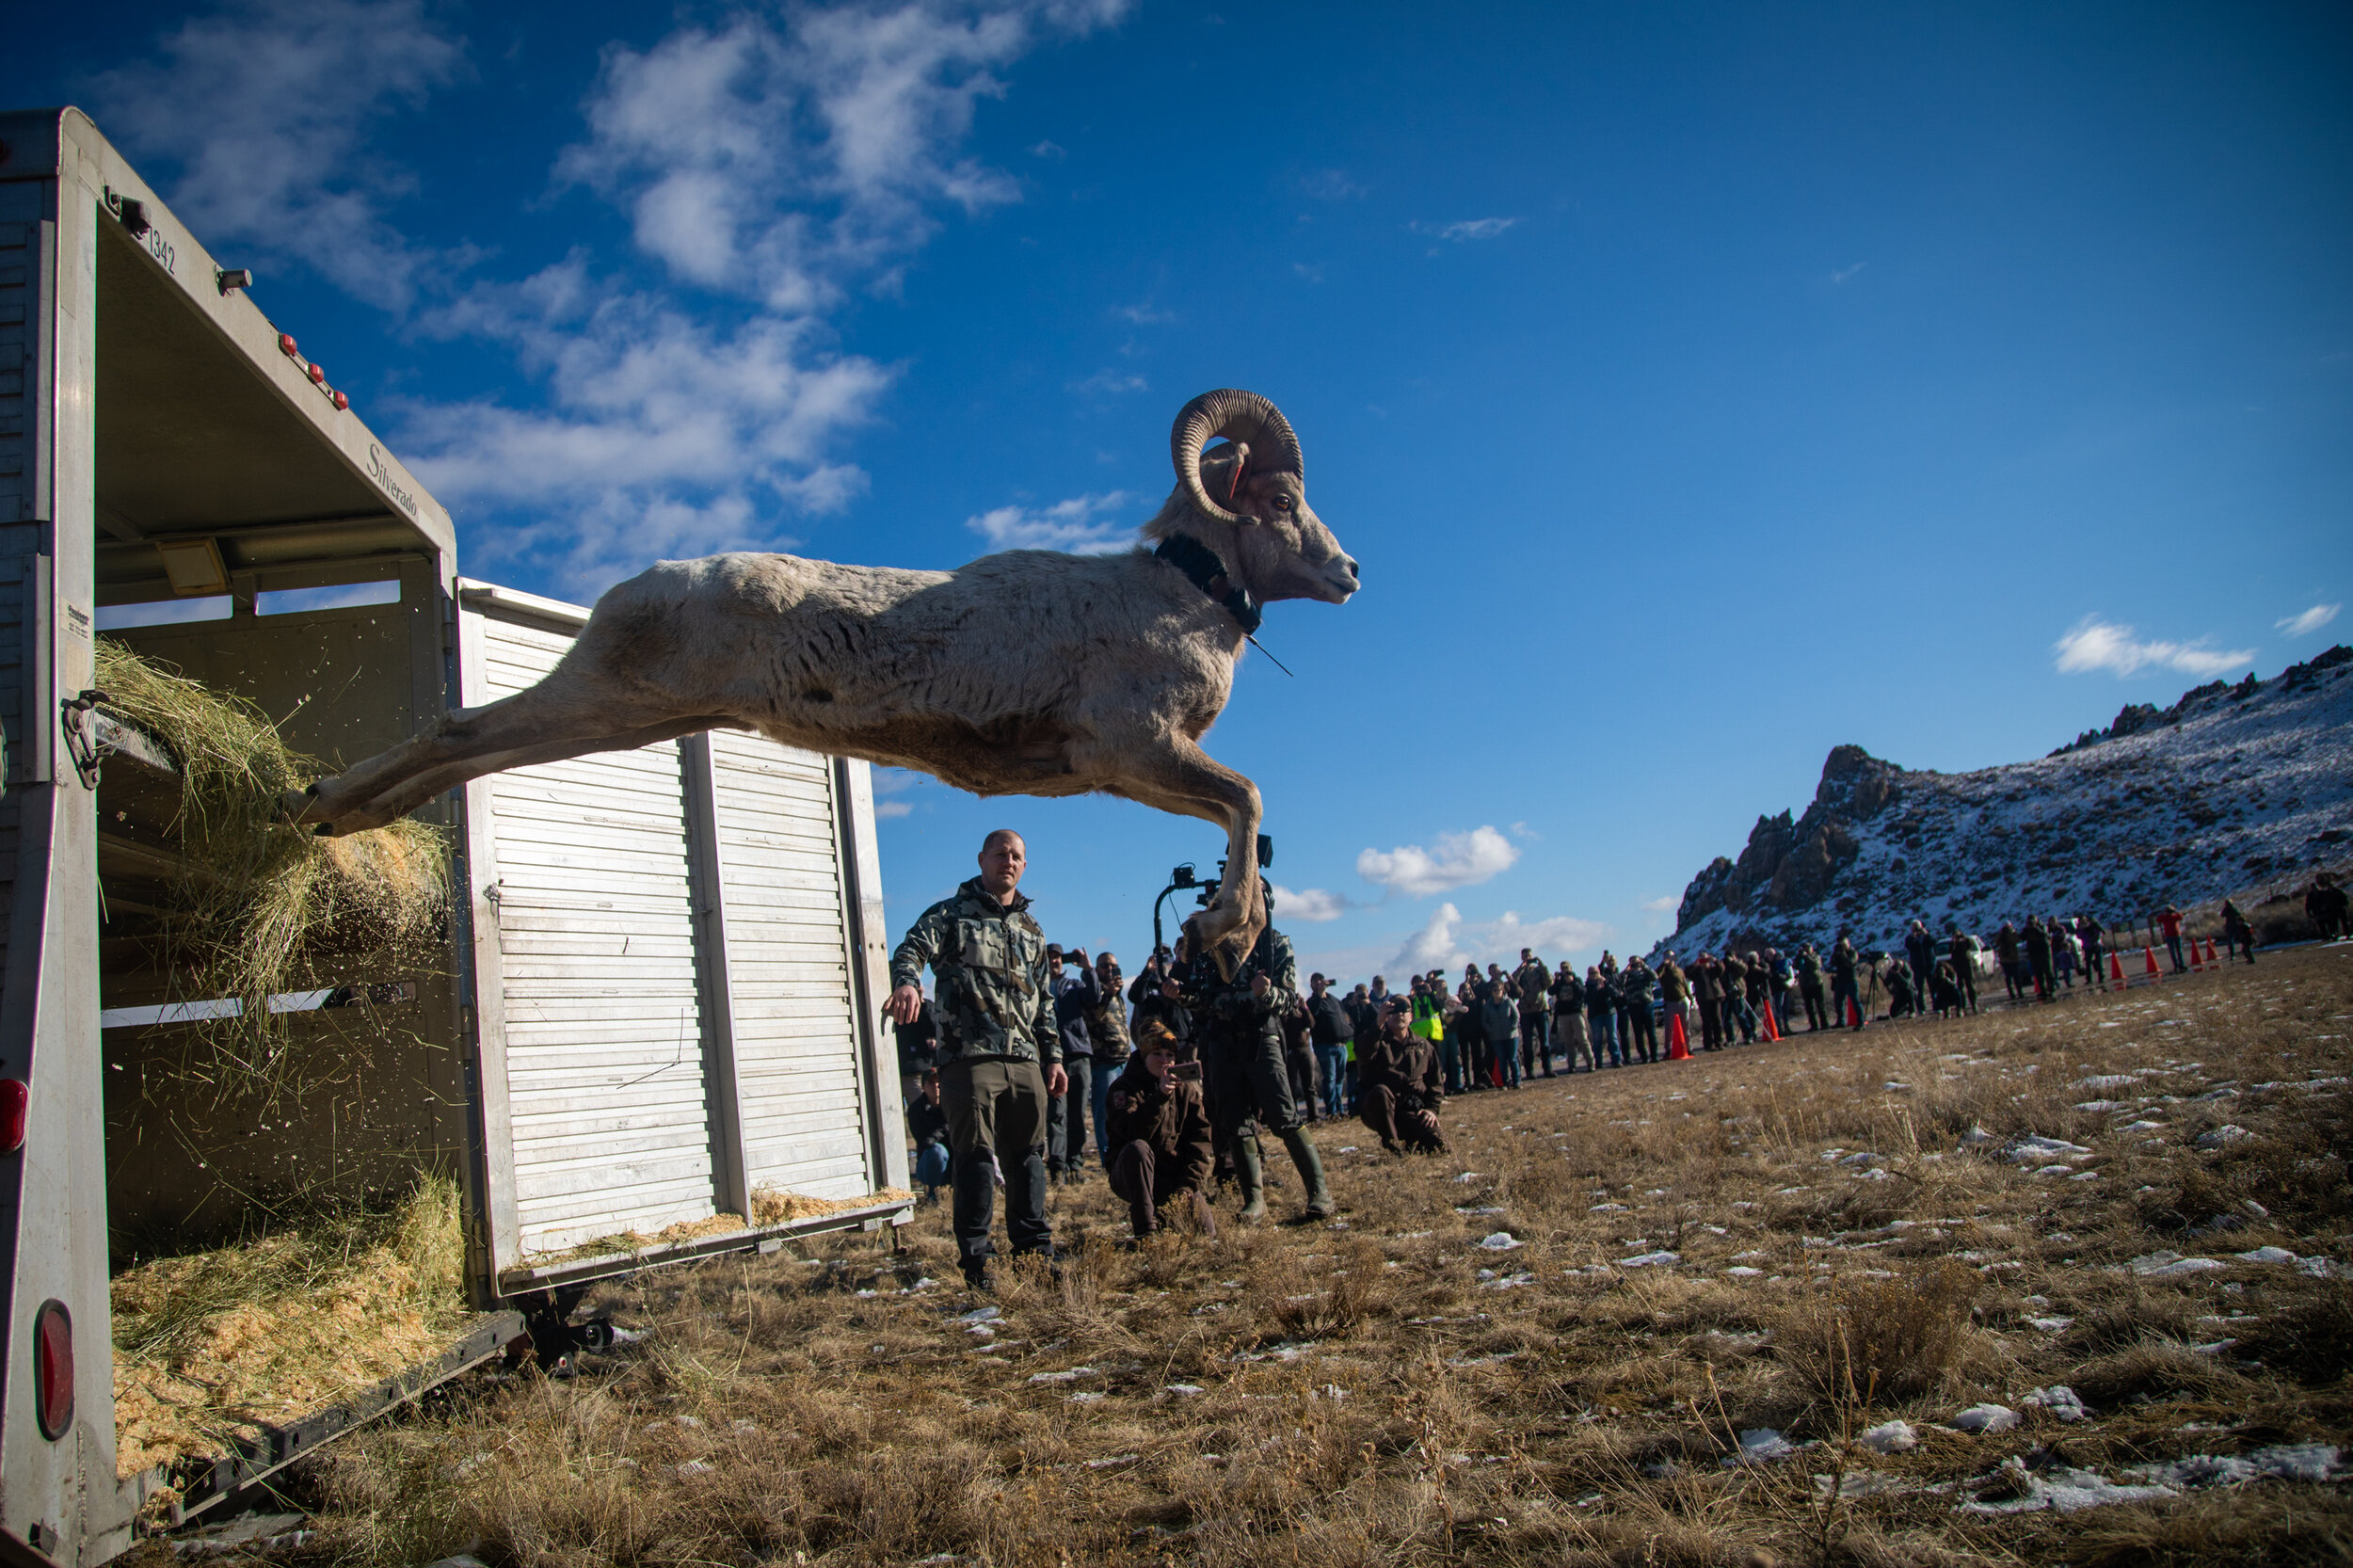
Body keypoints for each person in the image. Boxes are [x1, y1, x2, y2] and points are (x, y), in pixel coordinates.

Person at [889, 828, 1064, 1290]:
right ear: (982, 859)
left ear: (1024, 866)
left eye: (1017, 856)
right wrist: (908, 982)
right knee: (977, 1160)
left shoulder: (1032, 930)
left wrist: (1054, 1058)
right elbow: (910, 949)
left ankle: (1034, 1256)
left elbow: (1044, 1002)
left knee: (1028, 1159)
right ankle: (978, 1262)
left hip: (1025, 1060)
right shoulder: (950, 914)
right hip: (970, 1060)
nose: (1009, 861)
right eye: (1001, 853)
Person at [1193, 909, 1334, 1223]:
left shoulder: (1273, 943)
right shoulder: (1212, 945)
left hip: (1261, 1036)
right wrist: (1182, 994)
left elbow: (1288, 1000)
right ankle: (1254, 1200)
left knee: (1283, 1115)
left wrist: (1266, 992)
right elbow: (1200, 998)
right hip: (1222, 1040)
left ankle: (1319, 1193)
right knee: (1235, 1121)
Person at [1103, 1020, 1216, 1240]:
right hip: (1131, 1174)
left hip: (1173, 1178)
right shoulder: (1123, 1088)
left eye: (1169, 1054)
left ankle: (1166, 1217)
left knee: (1206, 1236)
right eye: (1157, 1054)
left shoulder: (1186, 1092)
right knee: (1139, 1148)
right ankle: (1146, 1233)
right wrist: (1160, 1098)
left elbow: (1200, 1142)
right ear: (1144, 1056)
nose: (1164, 1061)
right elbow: (1133, 1133)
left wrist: (1187, 1186)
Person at [1357, 995, 1446, 1153]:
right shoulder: (1376, 1040)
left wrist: (1431, 1109)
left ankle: (1411, 1140)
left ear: (1411, 1017)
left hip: (1411, 1109)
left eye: (1404, 1009)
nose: (1399, 1014)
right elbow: (1363, 1054)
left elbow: (1435, 1083)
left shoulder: (1423, 1046)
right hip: (1381, 1109)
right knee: (1381, 1092)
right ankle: (1392, 1144)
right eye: (1394, 1010)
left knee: (1441, 1146)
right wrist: (1378, 1024)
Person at [1045, 944, 1101, 1180]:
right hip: (1050, 1057)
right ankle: (1058, 1166)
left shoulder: (1074, 985)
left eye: (1058, 958)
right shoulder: (1038, 987)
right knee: (1056, 1113)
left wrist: (1088, 969)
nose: (1055, 962)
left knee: (1077, 1111)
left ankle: (1075, 1164)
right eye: (1050, 958)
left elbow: (1094, 997)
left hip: (1078, 1054)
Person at [1086, 951, 1131, 1165]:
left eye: (1114, 966)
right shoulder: (1094, 993)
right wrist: (1107, 995)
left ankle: (1124, 1156)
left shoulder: (1118, 995)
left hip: (1124, 1061)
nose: (1110, 970)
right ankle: (1109, 1161)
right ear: (1097, 970)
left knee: (1125, 1111)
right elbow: (1094, 1018)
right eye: (1105, 966)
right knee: (1104, 1114)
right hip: (1104, 1064)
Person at [1307, 972, 1354, 1120]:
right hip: (1324, 1047)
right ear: (1312, 985)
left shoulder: (1334, 1000)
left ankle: (1340, 1109)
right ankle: (1332, 1111)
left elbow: (1344, 1016)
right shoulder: (1312, 1001)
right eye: (1315, 981)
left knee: (1340, 1079)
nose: (1319, 983)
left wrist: (1349, 1029)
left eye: (1321, 980)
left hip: (1341, 1045)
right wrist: (1319, 995)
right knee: (1330, 1078)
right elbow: (1311, 1015)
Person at [907, 1068, 952, 1203]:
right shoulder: (916, 1109)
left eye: (939, 1083)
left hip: (954, 1156)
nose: (936, 1087)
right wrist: (945, 1129)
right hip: (929, 1162)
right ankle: (931, 1194)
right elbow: (925, 1141)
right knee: (937, 1151)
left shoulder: (952, 1104)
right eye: (931, 1083)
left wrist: (939, 1132)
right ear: (923, 1087)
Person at [1513, 948, 1553, 1078]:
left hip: (1541, 1008)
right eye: (1524, 956)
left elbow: (1549, 983)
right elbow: (1513, 984)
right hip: (1525, 1010)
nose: (1527, 957)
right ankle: (1529, 1070)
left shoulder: (1539, 970)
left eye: (1529, 955)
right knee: (1528, 1043)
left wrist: (1542, 966)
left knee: (1545, 1041)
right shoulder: (1520, 972)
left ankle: (1548, 1068)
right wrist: (1521, 968)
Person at [1551, 959, 1593, 1071]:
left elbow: (1583, 992)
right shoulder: (1560, 981)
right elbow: (1551, 991)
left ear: (1570, 968)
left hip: (1576, 1013)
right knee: (1568, 1041)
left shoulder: (1577, 979)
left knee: (1582, 1039)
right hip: (1563, 1015)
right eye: (1563, 968)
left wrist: (1573, 982)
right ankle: (1572, 1065)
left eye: (1566, 968)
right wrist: (1556, 981)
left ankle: (1590, 1062)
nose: (1565, 970)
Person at [1480, 981, 1521, 1088]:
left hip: (1511, 1035)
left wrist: (1513, 1026)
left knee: (1512, 1058)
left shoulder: (1508, 1002)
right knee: (1502, 1060)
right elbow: (1484, 1021)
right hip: (1496, 1037)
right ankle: (1505, 1082)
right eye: (1495, 990)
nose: (1498, 992)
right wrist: (1490, 1030)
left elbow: (1516, 1015)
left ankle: (1517, 1081)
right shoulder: (1487, 1006)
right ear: (1491, 992)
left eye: (1500, 990)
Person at [1619, 955, 1659, 1064]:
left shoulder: (1646, 973)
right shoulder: (1628, 976)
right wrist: (1626, 971)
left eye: (1637, 963)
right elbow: (1619, 982)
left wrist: (1644, 966)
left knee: (1651, 1032)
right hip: (1634, 1006)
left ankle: (1654, 1055)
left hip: (1647, 1004)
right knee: (1638, 1033)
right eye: (1633, 963)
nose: (1635, 965)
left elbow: (1655, 977)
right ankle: (1644, 1056)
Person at [1829, 931, 1865, 1029]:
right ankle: (1840, 1021)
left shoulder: (1852, 952)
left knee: (1855, 1001)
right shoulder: (1838, 952)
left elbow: (1850, 963)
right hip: (1840, 979)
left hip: (1850, 979)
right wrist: (1836, 954)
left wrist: (1843, 954)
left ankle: (1861, 1021)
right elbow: (1832, 962)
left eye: (1843, 944)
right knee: (1838, 1002)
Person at [1585, 965, 1619, 1067]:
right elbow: (1588, 999)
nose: (1594, 975)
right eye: (1592, 973)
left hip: (1609, 1012)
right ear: (1588, 975)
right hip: (1595, 1015)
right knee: (1597, 1039)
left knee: (1613, 1037)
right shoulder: (1587, 986)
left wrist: (1606, 984)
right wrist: (1597, 988)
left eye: (1596, 973)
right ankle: (1598, 1062)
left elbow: (1615, 993)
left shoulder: (1606, 982)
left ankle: (1616, 1060)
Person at [1692, 952, 1725, 1051]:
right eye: (1702, 959)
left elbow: (1721, 969)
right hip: (1703, 1000)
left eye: (1705, 960)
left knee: (1717, 1021)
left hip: (1715, 998)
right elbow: (1687, 973)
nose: (1704, 962)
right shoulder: (1697, 972)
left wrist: (1714, 961)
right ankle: (1708, 1044)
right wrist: (1695, 965)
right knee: (1706, 1022)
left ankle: (1719, 1042)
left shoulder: (1713, 970)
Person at [1904, 920, 1937, 1014]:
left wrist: (1926, 935)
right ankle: (1921, 1008)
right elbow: (1908, 945)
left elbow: (1934, 942)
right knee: (1919, 989)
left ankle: (1936, 1005)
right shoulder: (1910, 938)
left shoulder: (1927, 937)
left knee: (1933, 987)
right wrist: (1913, 937)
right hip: (1918, 966)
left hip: (1929, 965)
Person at [1796, 942, 1829, 1032]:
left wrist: (1806, 957)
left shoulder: (1816, 956)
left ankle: (1825, 1024)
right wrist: (1799, 957)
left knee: (1820, 1005)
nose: (1806, 950)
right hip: (1805, 985)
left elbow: (1816, 965)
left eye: (1807, 948)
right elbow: (1795, 966)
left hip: (1816, 983)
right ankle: (1814, 1025)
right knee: (1809, 1007)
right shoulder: (1800, 958)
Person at [2306, 873, 2349, 941]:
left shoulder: (2334, 892)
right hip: (2324, 912)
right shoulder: (2316, 894)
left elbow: (2344, 900)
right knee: (2330, 925)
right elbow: (2308, 904)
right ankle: (2331, 935)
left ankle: (2344, 934)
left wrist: (2342, 906)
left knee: (2338, 923)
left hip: (2335, 910)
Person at [1946, 928, 1980, 1014]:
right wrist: (1954, 941)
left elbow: (1970, 945)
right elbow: (1950, 950)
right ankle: (1962, 1005)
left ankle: (1974, 1003)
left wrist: (1964, 938)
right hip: (1958, 966)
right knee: (1960, 987)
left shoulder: (1965, 941)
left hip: (1967, 965)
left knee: (1970, 986)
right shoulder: (1952, 943)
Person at [2023, 916, 2054, 1003]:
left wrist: (2035, 928)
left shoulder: (2042, 927)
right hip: (2034, 954)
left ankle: (2051, 990)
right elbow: (2022, 936)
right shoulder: (2027, 929)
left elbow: (2044, 935)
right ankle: (2042, 991)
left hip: (2044, 953)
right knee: (2038, 974)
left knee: (2048, 972)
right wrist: (2027, 929)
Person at [1993, 921, 2025, 1002]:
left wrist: (2010, 933)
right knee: (2009, 978)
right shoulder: (2001, 935)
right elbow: (1996, 942)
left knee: (2016, 977)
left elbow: (2016, 940)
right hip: (2005, 959)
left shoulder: (2013, 934)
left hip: (2013, 958)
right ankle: (2012, 994)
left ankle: (2020, 993)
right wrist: (2002, 934)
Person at [2076, 914, 2108, 991]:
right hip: (2087, 947)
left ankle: (2101, 978)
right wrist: (2081, 929)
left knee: (2098, 962)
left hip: (2096, 945)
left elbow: (2100, 933)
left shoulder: (2093, 925)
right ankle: (2089, 979)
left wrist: (2095, 939)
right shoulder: (2080, 929)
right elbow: (2079, 936)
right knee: (2088, 963)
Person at [2220, 899, 2257, 964]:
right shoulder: (2233, 909)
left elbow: (2222, 915)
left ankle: (2234, 954)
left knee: (2235, 940)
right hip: (2234, 926)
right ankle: (2241, 954)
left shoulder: (2230, 909)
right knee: (2238, 940)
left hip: (2233, 927)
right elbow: (2238, 914)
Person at [2156, 904, 2188, 974]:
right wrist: (2172, 912)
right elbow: (2158, 920)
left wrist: (2173, 912)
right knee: (2175, 951)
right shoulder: (2168, 917)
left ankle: (2179, 965)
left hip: (2174, 935)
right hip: (2171, 936)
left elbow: (2181, 917)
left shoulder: (2172, 916)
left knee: (2176, 951)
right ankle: (2178, 965)